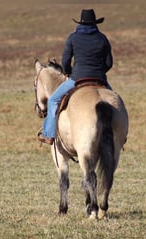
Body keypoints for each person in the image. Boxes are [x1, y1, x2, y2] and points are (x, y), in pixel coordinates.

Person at [38, 9, 113, 145]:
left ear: (80, 23)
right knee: (115, 102)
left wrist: (69, 72)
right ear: (95, 23)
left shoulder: (73, 38)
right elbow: (109, 63)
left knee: (53, 100)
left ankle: (48, 134)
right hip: (99, 79)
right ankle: (120, 135)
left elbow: (66, 61)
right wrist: (98, 71)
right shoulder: (102, 38)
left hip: (77, 78)